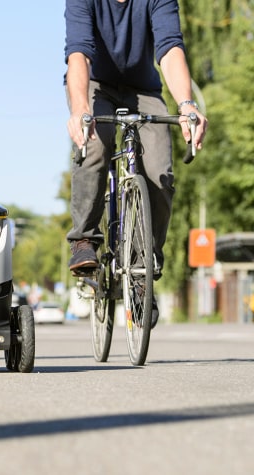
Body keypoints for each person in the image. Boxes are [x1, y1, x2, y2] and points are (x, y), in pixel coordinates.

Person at [64, 0, 209, 319]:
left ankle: (144, 268)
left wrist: (186, 105)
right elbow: (78, 53)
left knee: (160, 173)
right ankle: (84, 241)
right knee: (95, 147)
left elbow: (170, 48)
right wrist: (79, 110)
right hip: (94, 87)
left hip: (144, 91)